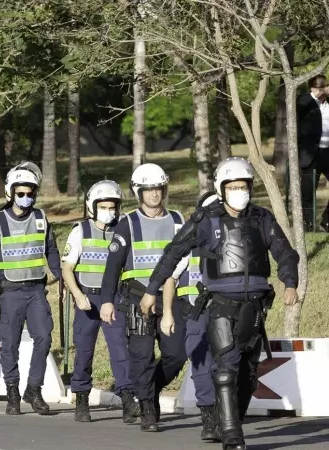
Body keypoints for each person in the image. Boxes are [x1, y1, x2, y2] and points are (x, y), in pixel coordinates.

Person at [143, 157, 299, 450]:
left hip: (255, 306)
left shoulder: (262, 218)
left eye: (244, 186)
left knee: (247, 374)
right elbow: (172, 253)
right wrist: (152, 290)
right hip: (221, 304)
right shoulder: (205, 220)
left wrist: (290, 282)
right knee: (225, 370)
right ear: (221, 189)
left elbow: (285, 252)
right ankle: (231, 436)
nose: (240, 191)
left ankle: (234, 420)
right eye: (233, 187)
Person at [100, 163, 187, 432]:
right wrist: (106, 300)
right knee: (142, 357)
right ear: (139, 192)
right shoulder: (127, 224)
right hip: (137, 299)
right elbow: (113, 265)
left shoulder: (177, 220)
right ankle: (148, 408)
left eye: (158, 188)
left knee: (176, 354)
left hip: (170, 298)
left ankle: (151, 388)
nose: (154, 194)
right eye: (149, 190)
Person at [0, 162, 61, 416]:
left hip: (36, 290)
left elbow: (52, 251)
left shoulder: (41, 218)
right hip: (10, 291)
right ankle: (13, 392)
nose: (26, 198)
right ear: (10, 193)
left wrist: (63, 280)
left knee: (44, 337)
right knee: (10, 344)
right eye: (21, 193)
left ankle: (33, 389)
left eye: (30, 193)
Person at [62, 180, 138, 423]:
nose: (110, 211)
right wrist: (77, 294)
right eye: (104, 206)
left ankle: (127, 399)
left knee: (120, 350)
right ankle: (82, 399)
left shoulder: (124, 229)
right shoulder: (80, 231)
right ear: (92, 207)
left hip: (114, 299)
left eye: (113, 207)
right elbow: (67, 268)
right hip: (87, 298)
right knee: (84, 351)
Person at [165, 192, 220, 442]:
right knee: (201, 367)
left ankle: (227, 415)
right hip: (195, 317)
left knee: (227, 367)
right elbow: (170, 280)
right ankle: (209, 419)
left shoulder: (233, 243)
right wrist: (167, 313)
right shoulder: (189, 246)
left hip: (226, 316)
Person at [297, 74, 329, 231]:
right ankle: (309, 226)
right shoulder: (304, 102)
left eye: (324, 87)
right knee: (308, 193)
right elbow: (301, 103)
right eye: (320, 88)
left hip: (328, 152)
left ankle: (327, 220)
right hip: (310, 154)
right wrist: (317, 95)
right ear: (312, 88)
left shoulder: (327, 104)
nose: (323, 91)